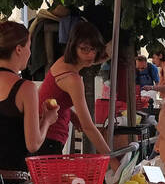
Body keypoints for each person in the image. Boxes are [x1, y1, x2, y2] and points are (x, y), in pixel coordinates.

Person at [0, 20, 59, 174]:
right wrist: (47, 120)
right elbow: (33, 143)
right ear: (18, 49)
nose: (30, 53)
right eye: (29, 47)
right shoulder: (26, 88)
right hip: (10, 177)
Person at [36, 22, 112, 155]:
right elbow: (88, 127)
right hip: (48, 139)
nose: (90, 55)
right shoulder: (73, 79)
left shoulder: (63, 62)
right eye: (85, 49)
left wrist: (71, 115)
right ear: (73, 47)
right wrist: (114, 161)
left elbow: (52, 98)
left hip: (43, 134)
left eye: (93, 50)